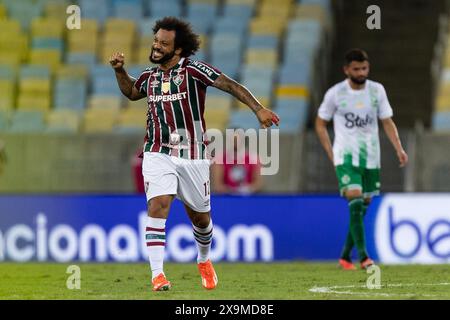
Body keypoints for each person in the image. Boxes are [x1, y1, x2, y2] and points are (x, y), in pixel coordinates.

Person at [110, 17, 279, 291]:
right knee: (157, 205)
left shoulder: (193, 70)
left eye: (163, 44)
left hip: (193, 155)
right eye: (155, 41)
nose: (156, 47)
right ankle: (157, 275)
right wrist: (119, 70)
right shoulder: (150, 76)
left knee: (201, 219)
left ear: (178, 50)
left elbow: (230, 84)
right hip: (157, 151)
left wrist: (258, 108)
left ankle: (203, 259)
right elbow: (131, 91)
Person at [315, 49, 408, 270]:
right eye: (356, 69)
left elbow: (387, 121)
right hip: (346, 155)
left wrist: (399, 148)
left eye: (364, 68)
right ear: (346, 70)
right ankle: (365, 257)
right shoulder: (335, 93)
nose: (361, 72)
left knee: (361, 207)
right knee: (355, 198)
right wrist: (331, 152)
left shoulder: (377, 91)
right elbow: (320, 123)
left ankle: (345, 256)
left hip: (371, 158)